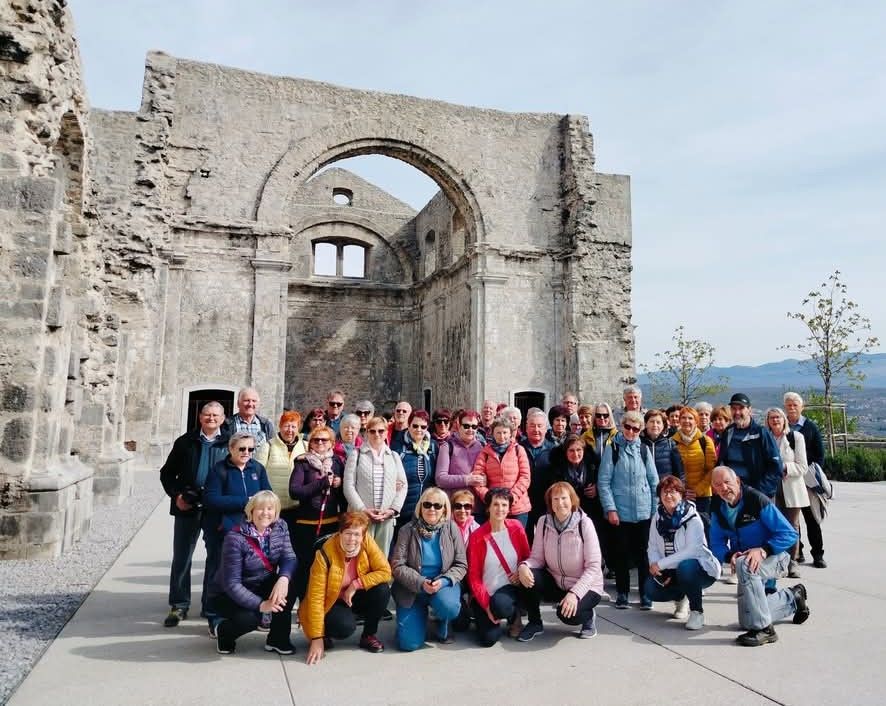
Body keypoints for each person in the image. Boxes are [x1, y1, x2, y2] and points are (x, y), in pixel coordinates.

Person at [709, 466, 810, 647]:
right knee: (747, 622)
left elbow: (789, 534)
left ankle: (765, 630)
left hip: (776, 558)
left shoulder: (756, 500)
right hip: (747, 565)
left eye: (727, 482)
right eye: (717, 485)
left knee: (744, 564)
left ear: (737, 481)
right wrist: (729, 555)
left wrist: (763, 550)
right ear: (713, 489)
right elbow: (715, 542)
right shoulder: (717, 507)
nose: (723, 488)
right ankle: (792, 597)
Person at [159, 401, 230, 627]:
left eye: (216, 415)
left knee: (216, 558)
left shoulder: (230, 443)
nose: (211, 418)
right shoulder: (185, 442)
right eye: (207, 414)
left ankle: (210, 605)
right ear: (200, 417)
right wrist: (177, 496)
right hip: (187, 508)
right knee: (182, 557)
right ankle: (179, 604)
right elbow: (167, 473)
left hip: (216, 509)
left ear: (223, 418)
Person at [209, 491, 298, 655]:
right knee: (250, 619)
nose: (265, 513)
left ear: (276, 511)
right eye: (260, 508)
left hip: (260, 583)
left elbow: (289, 557)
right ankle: (223, 632)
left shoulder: (281, 526)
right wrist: (261, 605)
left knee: (290, 586)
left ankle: (277, 639)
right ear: (251, 511)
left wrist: (284, 578)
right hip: (227, 593)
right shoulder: (235, 538)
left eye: (270, 508)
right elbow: (232, 584)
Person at [301, 511, 393, 663]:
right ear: (340, 532)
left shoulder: (367, 542)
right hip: (331, 601)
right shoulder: (325, 553)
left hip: (353, 595)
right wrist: (316, 638)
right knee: (343, 627)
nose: (352, 539)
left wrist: (356, 585)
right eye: (348, 533)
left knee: (382, 590)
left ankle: (368, 635)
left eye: (357, 534)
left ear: (363, 535)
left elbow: (386, 571)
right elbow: (315, 598)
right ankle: (325, 634)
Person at [517, 482, 603, 641]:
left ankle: (588, 616)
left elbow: (593, 567)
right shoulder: (543, 522)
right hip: (557, 581)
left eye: (564, 498)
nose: (560, 503)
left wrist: (575, 594)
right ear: (550, 503)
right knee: (527, 575)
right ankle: (535, 623)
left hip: (586, 586)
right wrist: (524, 566)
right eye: (555, 499)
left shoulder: (584, 523)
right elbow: (537, 558)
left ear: (572, 500)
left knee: (568, 615)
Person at [391, 488, 467, 650]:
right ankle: (415, 622)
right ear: (420, 507)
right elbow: (397, 565)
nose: (432, 509)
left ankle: (442, 620)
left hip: (442, 587)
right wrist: (420, 582)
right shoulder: (406, 530)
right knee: (409, 644)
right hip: (412, 589)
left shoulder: (451, 528)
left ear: (444, 509)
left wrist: (444, 581)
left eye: (437, 505)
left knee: (449, 607)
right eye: (427, 504)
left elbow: (461, 564)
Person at [598, 410, 658, 609]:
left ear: (640, 430)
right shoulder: (613, 449)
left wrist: (654, 510)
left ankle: (645, 594)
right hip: (621, 512)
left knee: (644, 556)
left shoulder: (644, 450)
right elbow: (604, 482)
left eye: (636, 429)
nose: (631, 432)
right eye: (628, 427)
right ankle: (622, 593)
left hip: (644, 512)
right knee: (621, 555)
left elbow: (654, 482)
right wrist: (610, 509)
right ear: (622, 426)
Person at [644, 476, 720, 630]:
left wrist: (661, 564)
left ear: (681, 494)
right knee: (650, 589)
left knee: (686, 567)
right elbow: (652, 546)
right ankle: (681, 597)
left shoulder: (692, 517)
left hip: (700, 570)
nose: (668, 496)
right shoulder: (657, 516)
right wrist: (657, 569)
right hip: (671, 569)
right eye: (664, 492)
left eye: (673, 492)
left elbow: (691, 551)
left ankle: (697, 612)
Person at [466, 488, 531, 647]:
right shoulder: (477, 536)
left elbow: (527, 558)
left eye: (504, 505)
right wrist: (486, 606)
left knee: (501, 606)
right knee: (488, 639)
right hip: (485, 593)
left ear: (509, 508)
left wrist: (520, 570)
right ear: (488, 507)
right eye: (495, 504)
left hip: (509, 588)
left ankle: (514, 615)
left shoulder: (516, 527)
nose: (500, 509)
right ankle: (481, 614)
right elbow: (474, 576)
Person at [289, 427, 346, 599]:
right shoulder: (303, 462)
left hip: (331, 523)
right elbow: (294, 491)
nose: (320, 442)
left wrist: (340, 483)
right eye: (316, 440)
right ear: (310, 443)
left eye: (324, 440)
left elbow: (344, 494)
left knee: (327, 566)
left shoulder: (337, 462)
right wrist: (321, 484)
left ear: (332, 443)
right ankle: (304, 603)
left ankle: (324, 604)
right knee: (305, 566)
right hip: (307, 524)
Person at [343, 415, 407, 556]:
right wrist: (362, 509)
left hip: (386, 518)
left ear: (386, 432)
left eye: (381, 431)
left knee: (381, 557)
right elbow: (348, 486)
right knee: (359, 556)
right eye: (372, 431)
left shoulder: (394, 456)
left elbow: (403, 486)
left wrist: (392, 510)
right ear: (367, 433)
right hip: (361, 517)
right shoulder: (356, 454)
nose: (377, 434)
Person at [784, 391, 827, 568]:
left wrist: (812, 475)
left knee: (811, 519)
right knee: (793, 520)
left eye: (795, 405)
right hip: (789, 480)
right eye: (789, 405)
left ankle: (818, 554)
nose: (792, 408)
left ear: (802, 407)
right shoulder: (782, 426)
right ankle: (798, 551)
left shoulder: (810, 427)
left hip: (807, 480)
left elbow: (820, 454)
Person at [765, 407, 809, 579]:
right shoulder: (765, 438)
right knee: (773, 526)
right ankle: (777, 562)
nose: (775, 420)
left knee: (792, 526)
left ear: (784, 419)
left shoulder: (795, 438)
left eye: (778, 417)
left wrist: (783, 467)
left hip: (791, 488)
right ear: (767, 421)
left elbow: (803, 467)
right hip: (771, 488)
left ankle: (793, 561)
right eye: (772, 418)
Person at [717, 393, 782, 498]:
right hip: (733, 491)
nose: (737, 412)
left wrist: (761, 491)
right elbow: (723, 461)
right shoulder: (728, 432)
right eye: (734, 409)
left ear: (749, 410)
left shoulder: (761, 433)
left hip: (757, 492)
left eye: (741, 408)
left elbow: (776, 466)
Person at [255, 410, 306, 543]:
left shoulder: (305, 446)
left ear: (298, 428)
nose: (290, 430)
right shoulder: (268, 446)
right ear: (280, 426)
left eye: (293, 426)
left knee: (294, 545)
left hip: (298, 507)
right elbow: (257, 475)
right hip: (274, 508)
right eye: (286, 426)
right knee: (273, 544)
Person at [473, 417, 531, 526]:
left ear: (510, 434)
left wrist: (511, 497)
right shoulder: (485, 453)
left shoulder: (519, 450)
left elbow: (525, 477)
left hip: (517, 508)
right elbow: (477, 479)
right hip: (495, 507)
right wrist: (489, 497)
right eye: (498, 433)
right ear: (493, 434)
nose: (502, 436)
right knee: (497, 536)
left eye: (505, 432)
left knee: (516, 536)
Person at [395, 409, 437, 537]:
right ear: (409, 425)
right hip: (403, 506)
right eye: (415, 426)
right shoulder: (398, 446)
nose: (419, 430)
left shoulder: (433, 447)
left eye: (423, 427)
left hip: (426, 508)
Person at [672, 406, 717, 523]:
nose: (686, 421)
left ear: (696, 421)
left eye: (690, 418)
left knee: (703, 527)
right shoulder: (672, 442)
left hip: (702, 496)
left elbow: (712, 470)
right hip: (679, 496)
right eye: (683, 418)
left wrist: (696, 491)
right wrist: (680, 491)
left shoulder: (705, 441)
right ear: (679, 420)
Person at [520, 408, 556, 537]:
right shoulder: (518, 448)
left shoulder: (555, 450)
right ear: (526, 428)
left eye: (540, 426)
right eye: (532, 425)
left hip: (546, 503)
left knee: (547, 538)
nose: (536, 429)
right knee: (525, 539)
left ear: (546, 428)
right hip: (523, 503)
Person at [435, 408, 486, 498]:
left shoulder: (482, 447)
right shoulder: (447, 446)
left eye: (474, 427)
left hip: (477, 503)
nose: (470, 429)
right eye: (466, 426)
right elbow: (440, 479)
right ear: (458, 426)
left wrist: (485, 479)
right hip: (455, 503)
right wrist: (466, 480)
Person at [450, 489, 480, 631]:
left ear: (472, 509)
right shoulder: (445, 527)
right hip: (453, 576)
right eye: (458, 506)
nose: (462, 510)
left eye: (467, 506)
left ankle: (471, 604)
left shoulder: (478, 529)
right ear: (452, 508)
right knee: (460, 625)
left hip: (473, 576)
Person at [640, 408, 684, 481]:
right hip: (644, 486)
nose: (655, 425)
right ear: (645, 424)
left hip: (665, 486)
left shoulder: (670, 444)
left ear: (663, 425)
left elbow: (679, 472)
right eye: (652, 422)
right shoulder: (639, 443)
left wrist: (681, 486)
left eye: (658, 422)